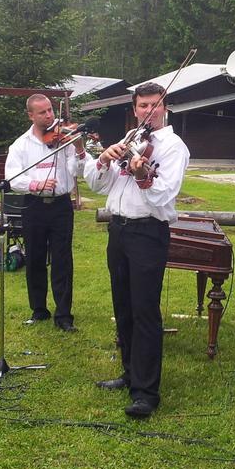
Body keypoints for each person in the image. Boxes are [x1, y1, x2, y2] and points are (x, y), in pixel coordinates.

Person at [84, 82, 190, 419]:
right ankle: (129, 374)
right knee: (124, 306)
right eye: (143, 105)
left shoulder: (174, 147)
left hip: (147, 232)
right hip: (119, 230)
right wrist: (103, 158)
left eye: (155, 105)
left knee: (145, 312)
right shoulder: (130, 140)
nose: (149, 111)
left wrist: (142, 173)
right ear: (135, 109)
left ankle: (146, 392)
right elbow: (98, 186)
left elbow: (163, 195)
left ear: (165, 107)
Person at [4, 94, 85, 332]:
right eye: (43, 112)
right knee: (35, 259)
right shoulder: (21, 144)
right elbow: (12, 177)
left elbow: (76, 171)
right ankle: (39, 309)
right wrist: (34, 185)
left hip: (61, 205)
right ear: (31, 115)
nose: (50, 115)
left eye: (51, 110)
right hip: (34, 206)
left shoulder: (65, 137)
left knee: (62, 259)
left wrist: (77, 147)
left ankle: (63, 314)